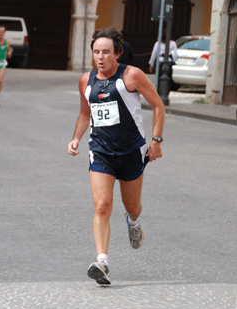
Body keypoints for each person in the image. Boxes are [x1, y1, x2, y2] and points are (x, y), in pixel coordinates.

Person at [67, 27, 165, 285]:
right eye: (96, 52)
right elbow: (85, 113)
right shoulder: (85, 81)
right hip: (100, 152)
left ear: (117, 53)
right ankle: (103, 262)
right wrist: (76, 137)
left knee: (132, 206)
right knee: (102, 206)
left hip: (132, 151)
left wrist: (156, 141)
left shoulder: (131, 76)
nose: (100, 57)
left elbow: (158, 105)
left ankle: (133, 222)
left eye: (106, 52)